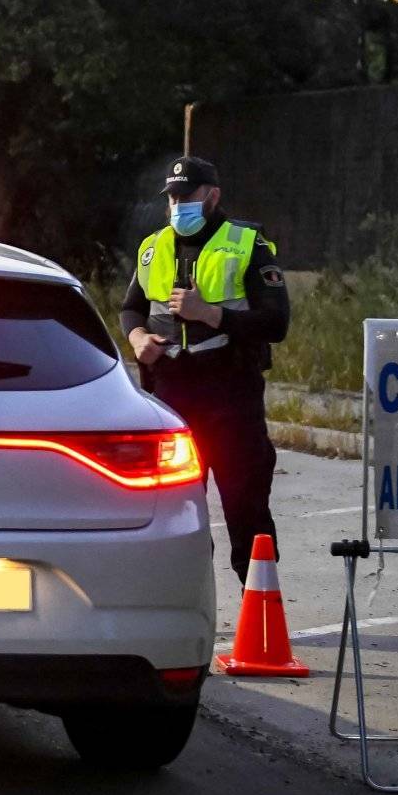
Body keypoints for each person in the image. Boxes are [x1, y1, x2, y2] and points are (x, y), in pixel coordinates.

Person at [118, 155, 289, 587]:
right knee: (177, 512)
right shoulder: (153, 247)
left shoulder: (248, 243)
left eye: (187, 195)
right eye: (172, 197)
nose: (178, 205)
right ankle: (186, 607)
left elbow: (276, 322)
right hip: (171, 397)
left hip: (231, 395)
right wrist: (137, 339)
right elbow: (131, 309)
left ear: (212, 196)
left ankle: (263, 615)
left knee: (246, 506)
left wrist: (213, 316)